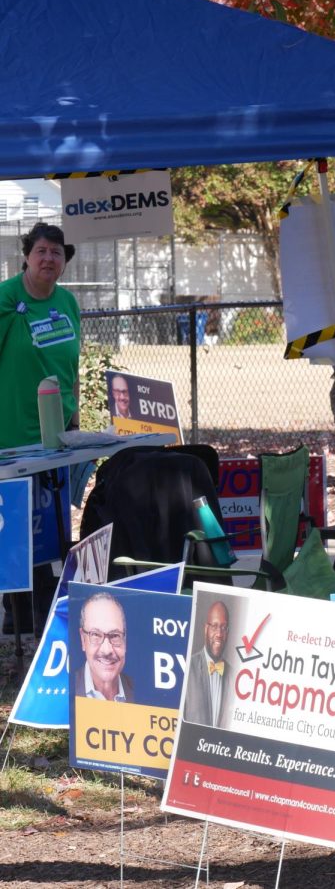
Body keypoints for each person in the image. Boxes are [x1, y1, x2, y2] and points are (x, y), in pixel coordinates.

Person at [0, 223, 79, 637]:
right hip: (11, 437)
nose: (49, 259)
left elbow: (70, 367)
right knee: (15, 528)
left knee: (53, 523)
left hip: (57, 438)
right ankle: (16, 616)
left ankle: (49, 607)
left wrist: (75, 418)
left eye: (57, 253)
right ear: (27, 255)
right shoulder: (6, 298)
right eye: (42, 251)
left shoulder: (67, 302)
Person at [74, 592, 134, 702]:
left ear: (125, 640)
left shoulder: (142, 693)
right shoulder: (65, 692)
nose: (106, 650)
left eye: (115, 636)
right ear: (83, 639)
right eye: (96, 635)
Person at [183, 599, 230, 726]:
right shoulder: (187, 669)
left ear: (227, 632)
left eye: (223, 627)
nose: (219, 634)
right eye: (214, 626)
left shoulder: (236, 676)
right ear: (206, 629)